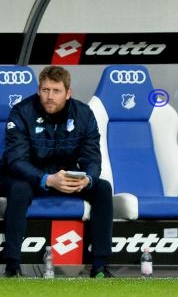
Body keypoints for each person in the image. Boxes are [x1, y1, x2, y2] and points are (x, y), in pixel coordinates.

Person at [1, 66, 113, 278]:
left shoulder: (83, 114)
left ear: (68, 92)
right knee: (20, 188)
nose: (49, 96)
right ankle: (12, 266)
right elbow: (15, 160)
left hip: (65, 177)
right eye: (45, 90)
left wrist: (87, 179)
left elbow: (92, 156)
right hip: (26, 177)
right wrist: (46, 179)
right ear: (38, 90)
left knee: (102, 188)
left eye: (56, 90)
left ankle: (100, 266)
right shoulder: (22, 112)